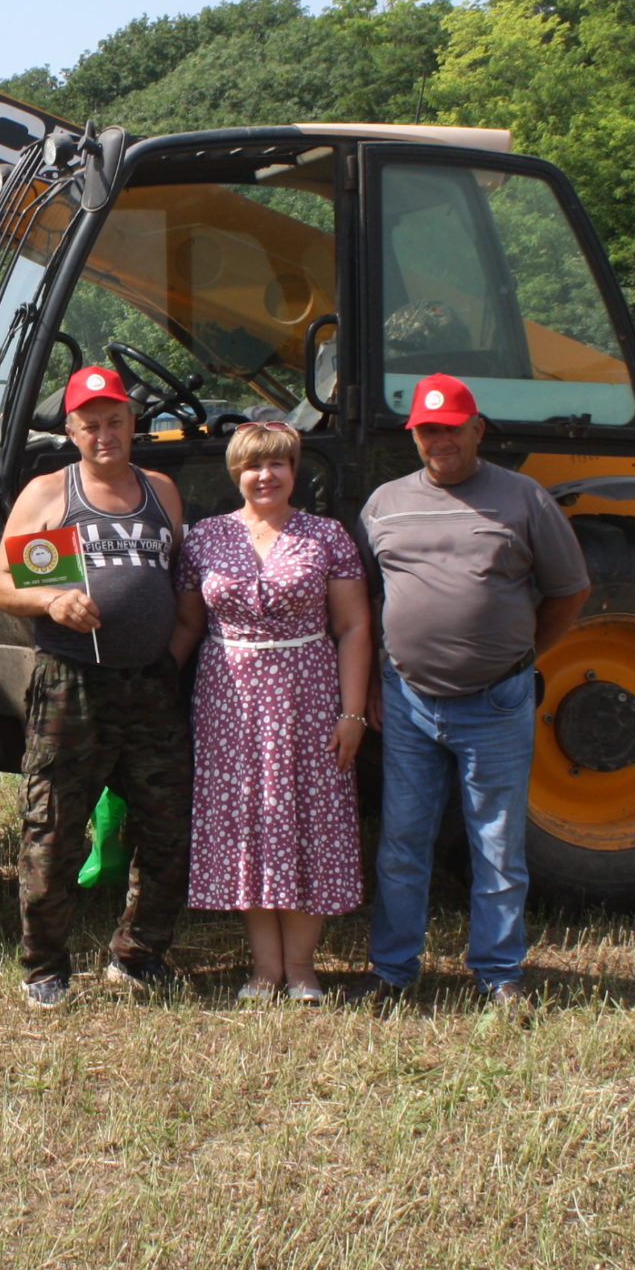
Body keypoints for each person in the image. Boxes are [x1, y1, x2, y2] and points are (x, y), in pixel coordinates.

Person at [358, 373, 589, 1009]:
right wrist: (381, 671)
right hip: (407, 703)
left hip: (495, 702)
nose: (440, 440)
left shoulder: (523, 498)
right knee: (403, 842)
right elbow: (371, 596)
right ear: (415, 436)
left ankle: (498, 974)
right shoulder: (383, 504)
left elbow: (570, 590)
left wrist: (522, 655)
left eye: (452, 427)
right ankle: (394, 971)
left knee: (496, 844)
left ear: (477, 429)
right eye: (428, 430)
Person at [0, 364, 192, 1010]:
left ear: (132, 423)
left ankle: (139, 954)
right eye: (90, 424)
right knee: (54, 827)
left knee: (166, 826)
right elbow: (2, 586)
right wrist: (53, 601)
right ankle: (45, 965)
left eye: (114, 421)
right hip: (72, 683)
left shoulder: (161, 489)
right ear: (71, 429)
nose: (104, 434)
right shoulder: (51, 493)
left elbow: (179, 579)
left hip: (151, 686)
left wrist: (172, 652)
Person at [175, 421, 373, 1004]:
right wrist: (151, 685)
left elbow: (354, 626)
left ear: (295, 470)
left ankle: (302, 969)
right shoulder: (205, 538)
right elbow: (188, 624)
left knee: (310, 821)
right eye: (254, 466)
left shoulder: (325, 536)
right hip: (228, 704)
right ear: (236, 474)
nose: (266, 476)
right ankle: (265, 970)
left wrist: (353, 713)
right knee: (248, 829)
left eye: (278, 464)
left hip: (308, 697)